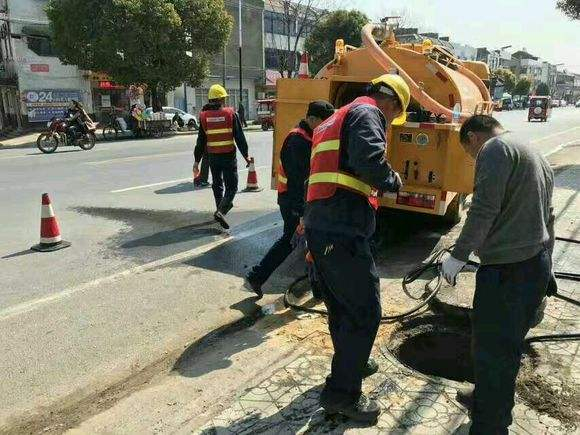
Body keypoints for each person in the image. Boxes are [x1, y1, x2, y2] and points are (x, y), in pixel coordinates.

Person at [304, 74, 409, 424]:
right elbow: (369, 161)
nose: (390, 122)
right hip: (342, 228)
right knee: (365, 311)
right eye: (394, 117)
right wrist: (392, 180)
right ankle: (342, 395)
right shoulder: (368, 112)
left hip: (324, 226)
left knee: (342, 308)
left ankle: (353, 362)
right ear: (391, 103)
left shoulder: (336, 116)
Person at [441, 115, 554, 435]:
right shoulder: (534, 153)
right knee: (505, 346)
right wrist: (547, 271)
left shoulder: (494, 148)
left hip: (508, 271)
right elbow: (550, 216)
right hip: (534, 264)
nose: (474, 158)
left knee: (493, 351)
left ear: (474, 137)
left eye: (469, 152)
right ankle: (485, 399)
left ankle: (490, 426)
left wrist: (458, 255)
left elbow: (483, 207)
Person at [245, 100, 335, 298]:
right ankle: (257, 276)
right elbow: (299, 181)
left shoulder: (310, 137)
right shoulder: (298, 141)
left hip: (300, 200)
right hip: (293, 201)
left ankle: (318, 288)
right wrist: (301, 212)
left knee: (309, 242)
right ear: (311, 119)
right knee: (293, 240)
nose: (327, 126)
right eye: (324, 122)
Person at [193, 85, 250, 229]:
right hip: (228, 156)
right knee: (232, 186)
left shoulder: (204, 116)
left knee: (217, 184)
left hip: (213, 156)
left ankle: (219, 209)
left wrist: (196, 161)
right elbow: (239, 138)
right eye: (224, 98)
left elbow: (201, 141)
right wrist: (246, 156)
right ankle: (222, 211)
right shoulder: (230, 114)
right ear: (220, 99)